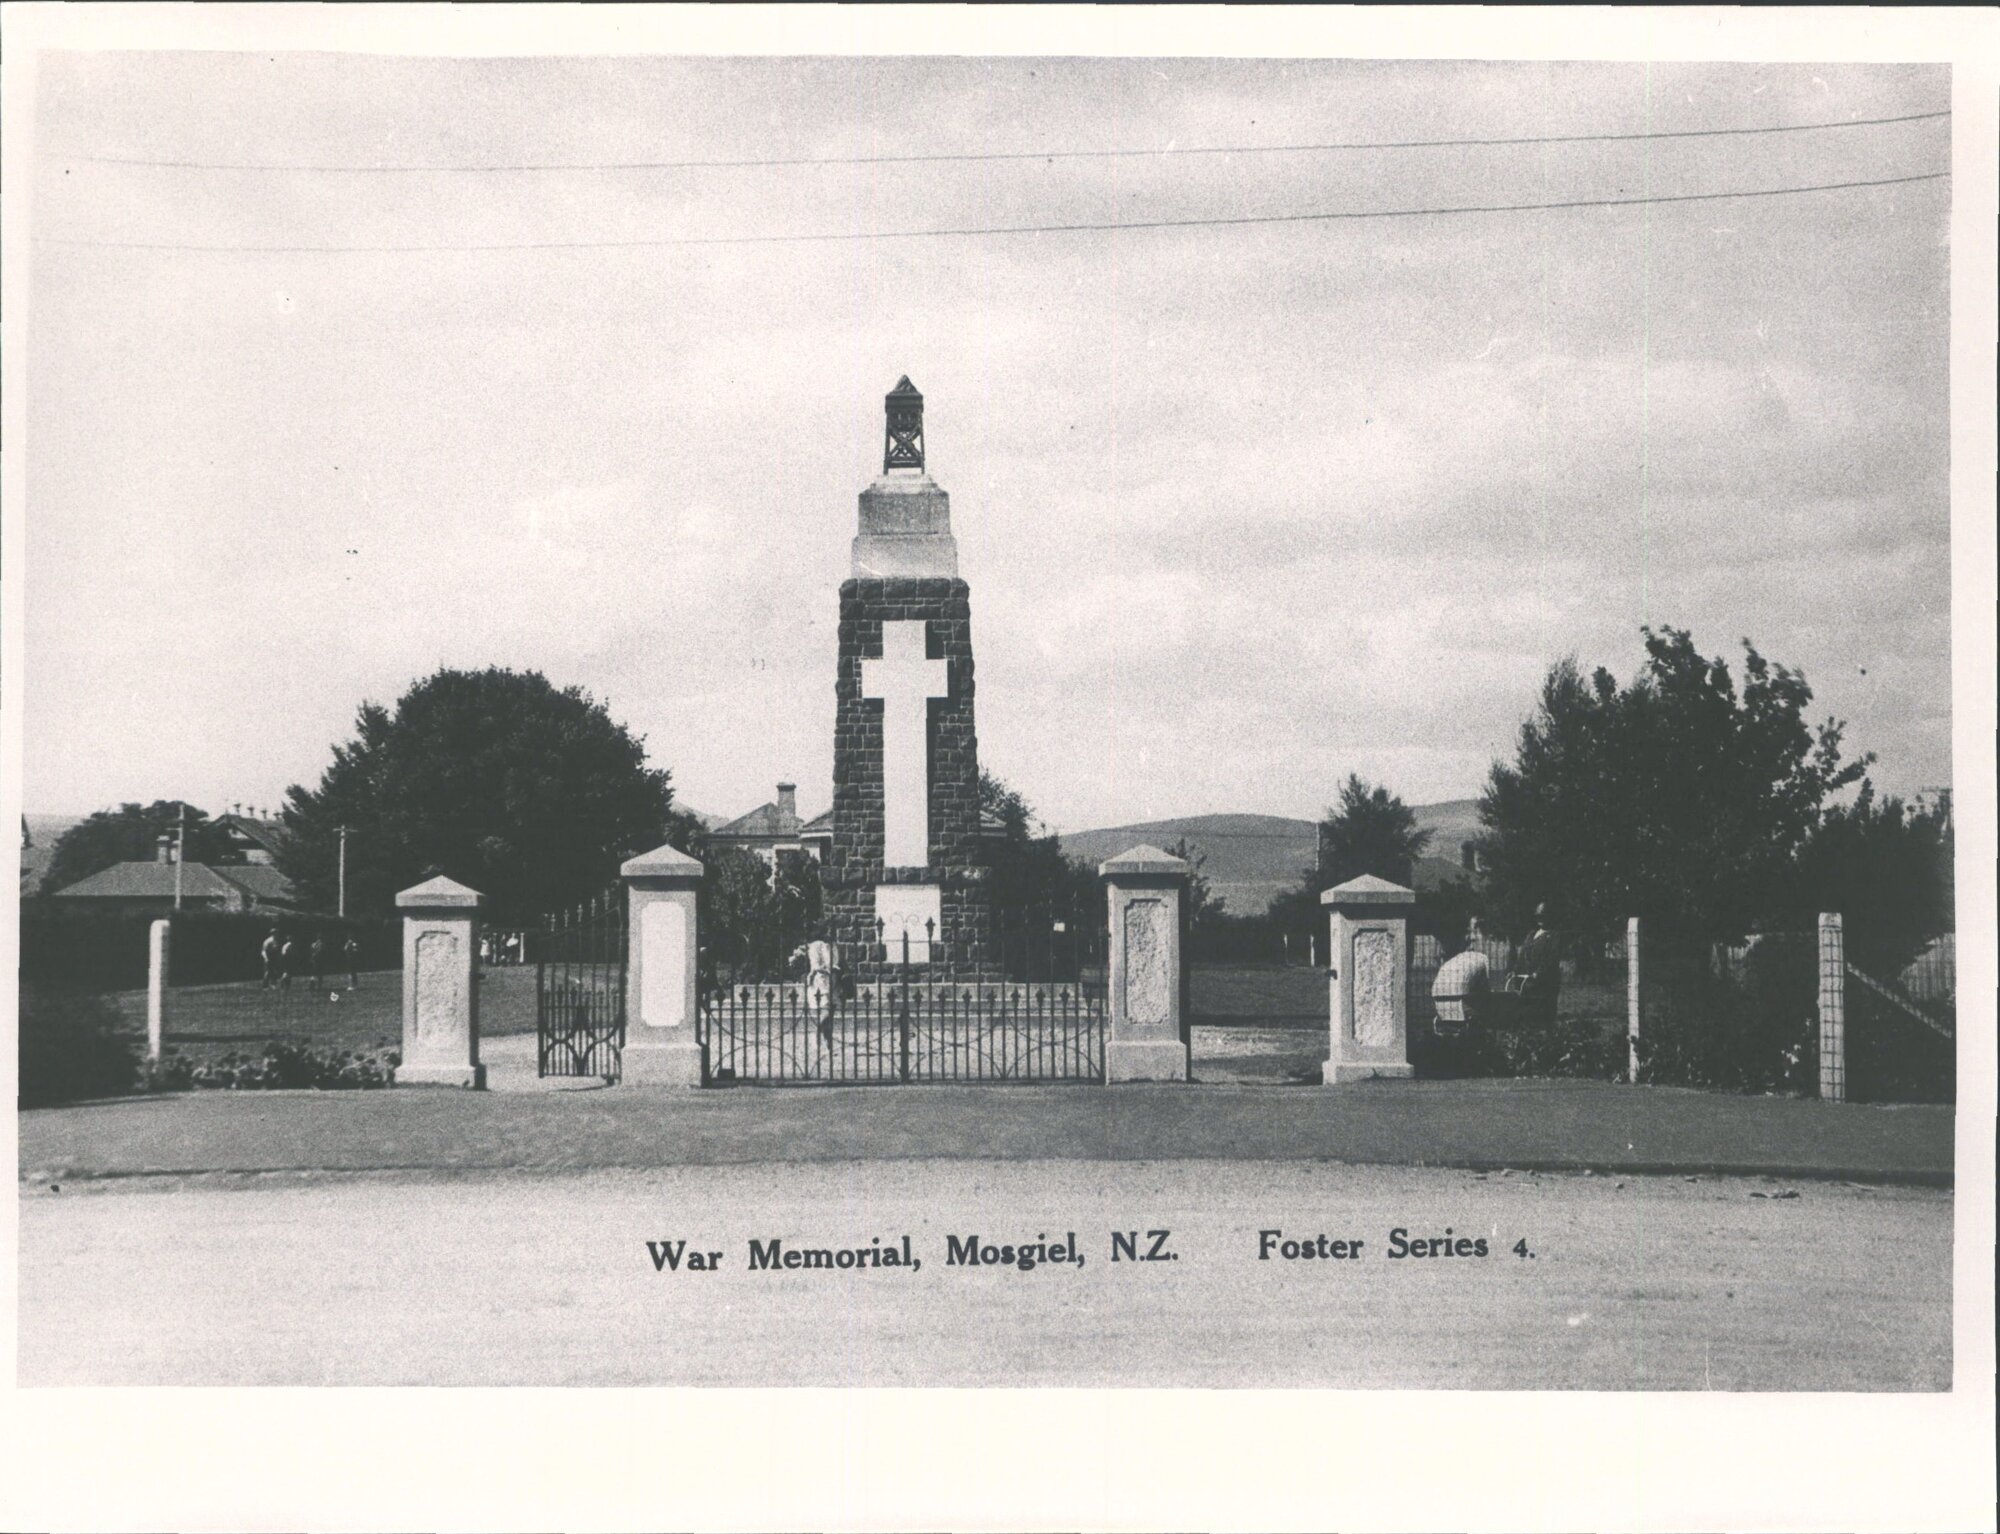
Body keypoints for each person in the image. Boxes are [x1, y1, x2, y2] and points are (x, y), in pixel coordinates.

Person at [1431, 919, 1492, 1035]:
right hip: (1463, 1010)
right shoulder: (1481, 959)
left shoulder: (1453, 962)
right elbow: (1486, 990)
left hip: (1440, 1007)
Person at [1506, 903, 1562, 1027]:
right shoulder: (1531, 935)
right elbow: (1522, 956)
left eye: (1543, 916)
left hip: (1543, 985)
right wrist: (1515, 971)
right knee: (1525, 1016)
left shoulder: (1553, 936)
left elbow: (1551, 959)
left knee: (1542, 1018)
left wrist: (1539, 973)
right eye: (1538, 916)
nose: (1540, 919)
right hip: (1526, 983)